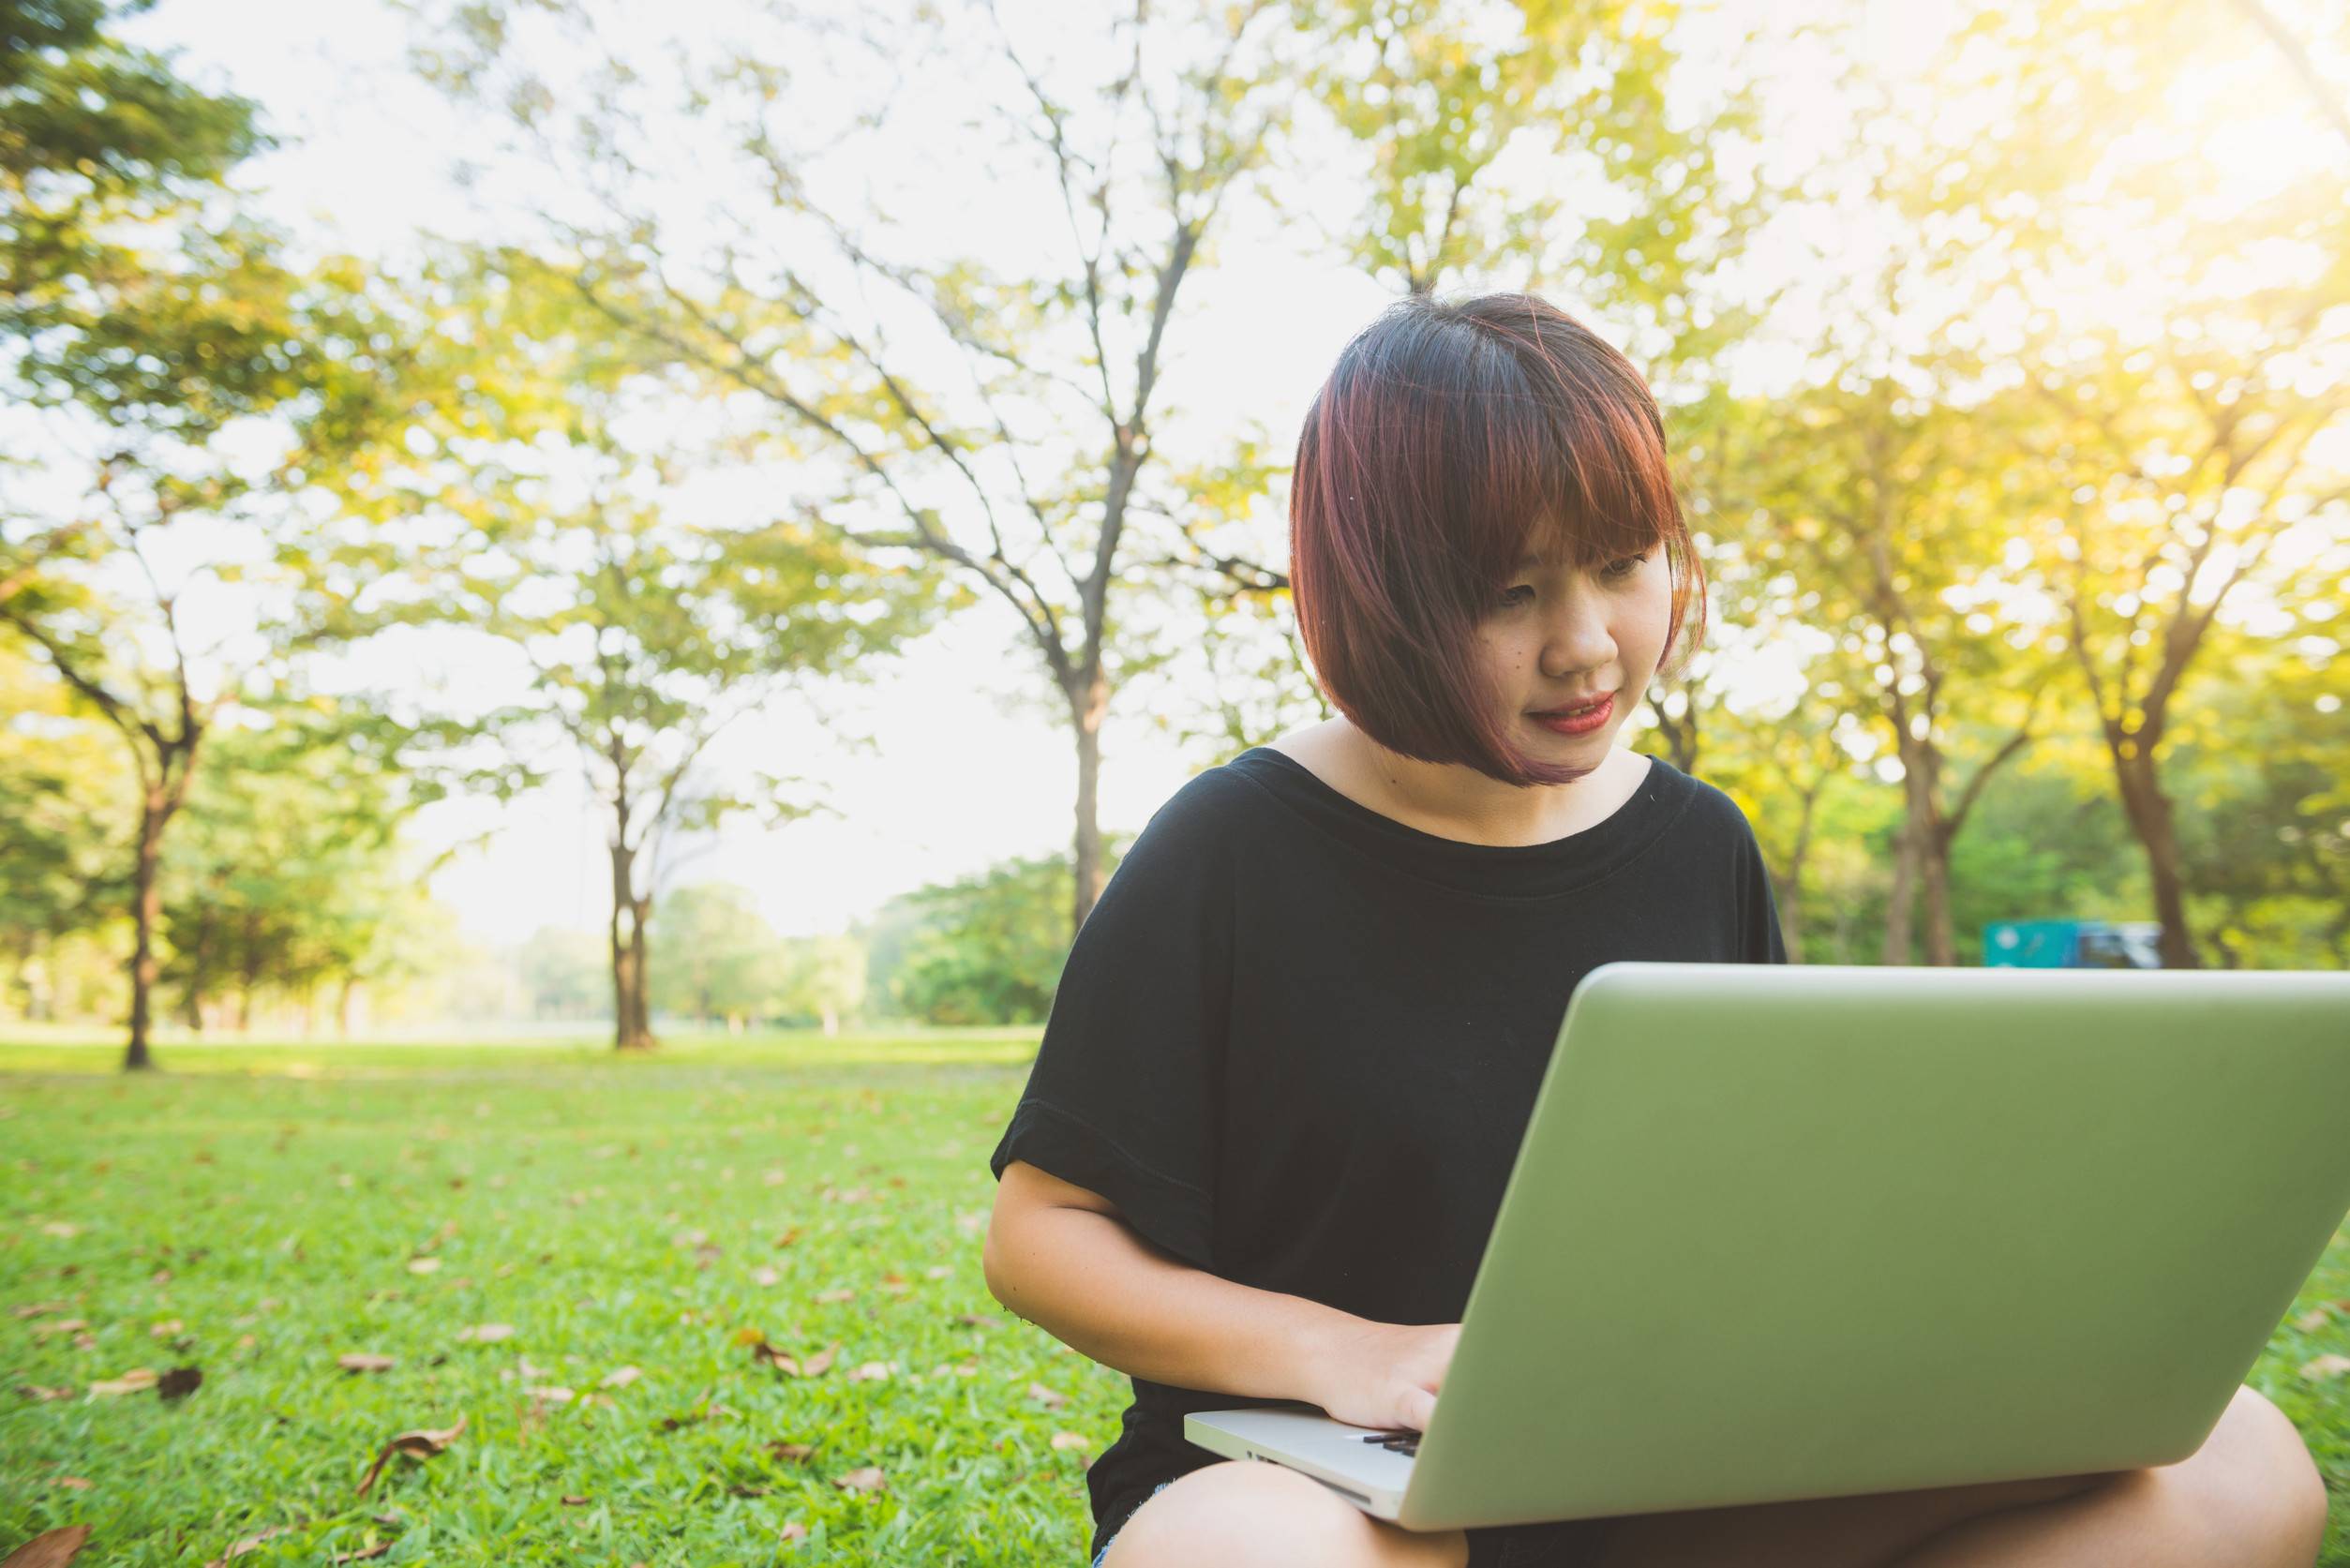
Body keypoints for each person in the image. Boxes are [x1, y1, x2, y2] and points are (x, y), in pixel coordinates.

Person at [980, 292, 2327, 1568]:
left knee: (2242, 1468)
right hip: (1333, 1491)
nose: (1588, 647)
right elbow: (1042, 1235)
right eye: (1511, 593)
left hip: (1661, 1500)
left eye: (1624, 566)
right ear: (1381, 594)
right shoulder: (1233, 845)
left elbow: (1773, 1214)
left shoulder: (1701, 843)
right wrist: (1353, 1353)